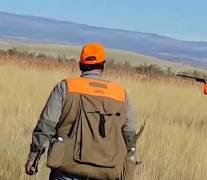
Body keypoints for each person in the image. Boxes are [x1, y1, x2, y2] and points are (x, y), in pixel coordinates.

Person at [25, 43, 137, 180]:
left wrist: (33, 157)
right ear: (103, 65)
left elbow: (46, 125)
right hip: (107, 171)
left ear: (80, 65)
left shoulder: (66, 87)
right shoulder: (120, 94)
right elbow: (130, 135)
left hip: (67, 169)